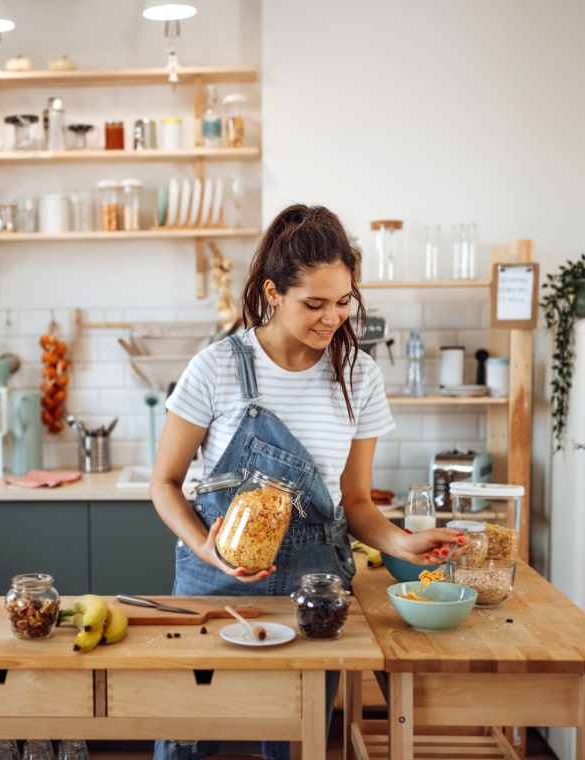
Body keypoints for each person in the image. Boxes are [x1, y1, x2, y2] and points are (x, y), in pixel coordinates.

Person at [149, 203, 465, 760]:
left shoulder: (358, 377)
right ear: (273, 293)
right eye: (313, 304)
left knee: (296, 746)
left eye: (344, 302)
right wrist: (207, 547)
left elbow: (358, 504)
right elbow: (166, 483)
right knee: (187, 739)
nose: (331, 318)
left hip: (314, 590)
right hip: (216, 586)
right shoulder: (217, 367)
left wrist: (399, 541)